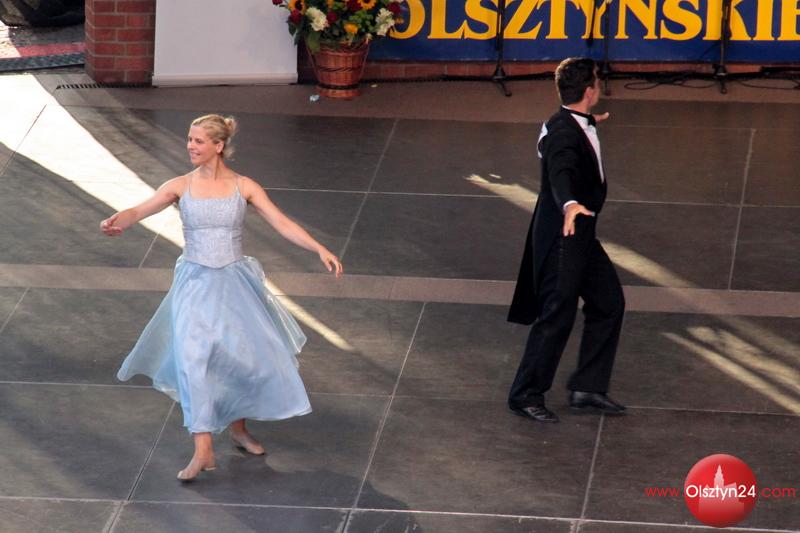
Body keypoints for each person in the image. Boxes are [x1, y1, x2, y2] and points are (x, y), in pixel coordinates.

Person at [101, 114, 342, 480]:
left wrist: (318, 248)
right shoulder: (180, 185)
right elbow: (140, 209)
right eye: (189, 138)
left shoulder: (244, 186)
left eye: (198, 140)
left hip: (233, 284)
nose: (190, 146)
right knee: (193, 360)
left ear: (219, 145)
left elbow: (281, 222)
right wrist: (116, 221)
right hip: (195, 284)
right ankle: (203, 449)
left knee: (238, 359)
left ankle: (238, 428)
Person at [507, 57, 626, 423]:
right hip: (565, 233)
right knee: (557, 314)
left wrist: (590, 125)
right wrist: (570, 204)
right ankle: (525, 394)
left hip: (581, 233)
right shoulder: (563, 134)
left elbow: (569, 144)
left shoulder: (571, 122)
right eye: (597, 82)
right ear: (590, 91)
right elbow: (559, 170)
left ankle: (588, 386)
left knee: (608, 302)